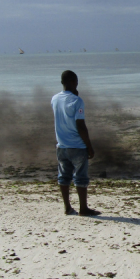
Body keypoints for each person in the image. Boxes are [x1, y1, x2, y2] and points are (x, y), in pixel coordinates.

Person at [51, 70, 100, 216]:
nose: (77, 84)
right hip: (77, 146)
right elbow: (80, 125)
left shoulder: (54, 98)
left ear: (62, 82)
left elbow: (63, 117)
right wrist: (89, 146)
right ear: (73, 82)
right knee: (81, 177)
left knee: (64, 176)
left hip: (61, 145)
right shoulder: (77, 101)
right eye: (76, 81)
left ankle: (67, 207)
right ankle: (83, 209)